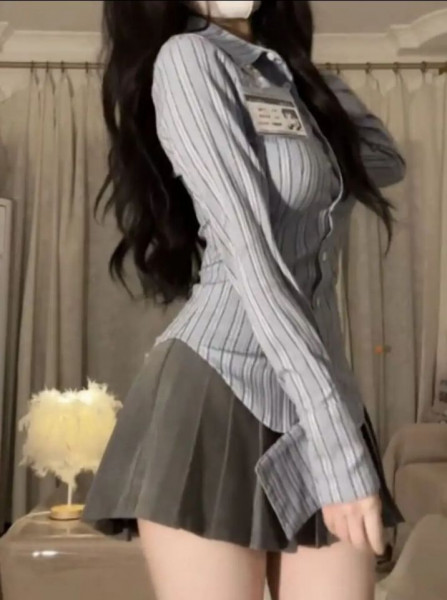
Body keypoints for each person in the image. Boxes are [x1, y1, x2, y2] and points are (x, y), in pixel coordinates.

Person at [83, 1, 405, 599]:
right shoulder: (189, 59)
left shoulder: (280, 77)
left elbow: (385, 160)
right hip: (216, 387)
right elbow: (253, 261)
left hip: (319, 385)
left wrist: (296, 72)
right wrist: (336, 443)